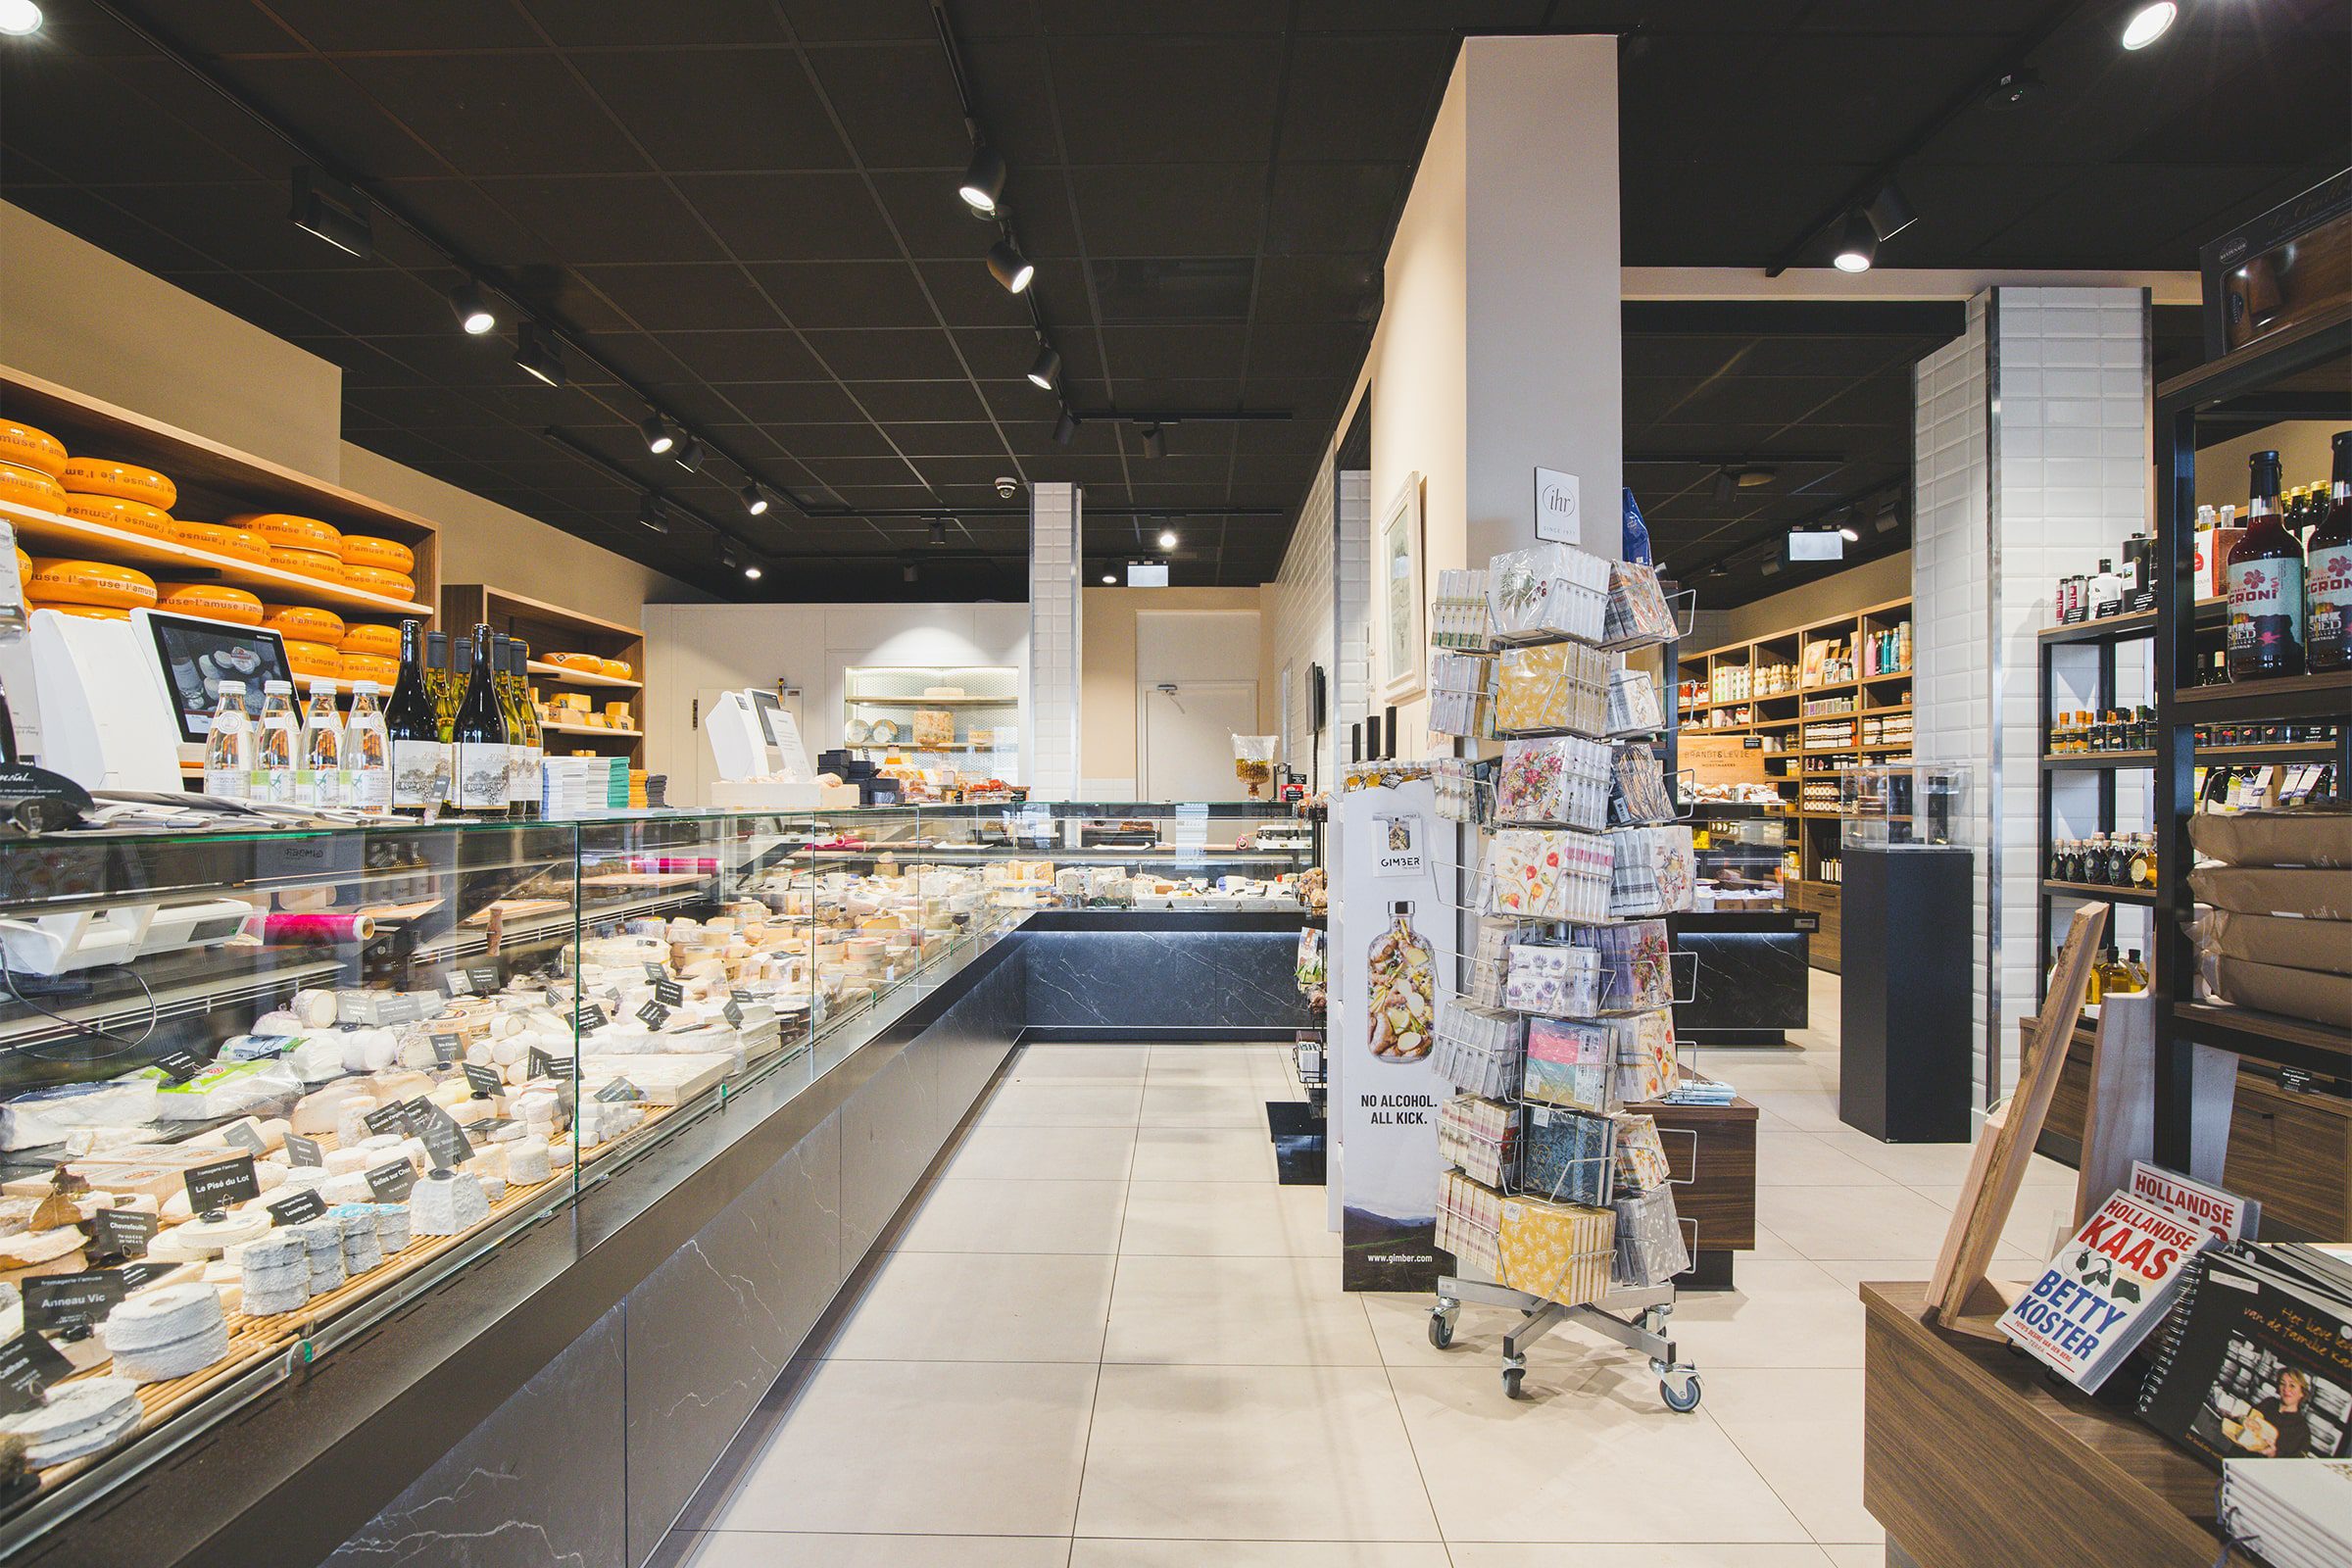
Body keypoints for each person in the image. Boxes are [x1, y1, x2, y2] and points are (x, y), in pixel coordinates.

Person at [2247, 1368, 2315, 1458]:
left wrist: (2273, 1454)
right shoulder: (2268, 1403)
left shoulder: (2302, 1431)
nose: (2286, 1389)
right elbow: (2247, 1421)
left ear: (2302, 1393)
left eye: (2292, 1385)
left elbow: (2294, 1464)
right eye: (2283, 1384)